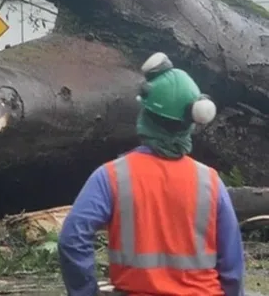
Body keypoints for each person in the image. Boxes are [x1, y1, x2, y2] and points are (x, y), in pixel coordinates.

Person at [58, 52, 244, 296]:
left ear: (145, 115)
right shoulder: (210, 181)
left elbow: (72, 239)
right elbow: (232, 264)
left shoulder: (112, 176)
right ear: (190, 123)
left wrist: (84, 292)